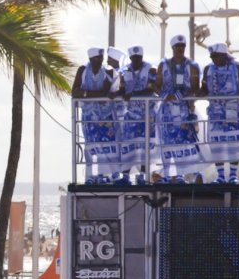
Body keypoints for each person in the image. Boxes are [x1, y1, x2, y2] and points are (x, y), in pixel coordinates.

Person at [154, 34, 203, 182]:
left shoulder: (192, 65)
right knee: (167, 141)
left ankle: (183, 174)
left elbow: (196, 87)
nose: (180, 49)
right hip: (167, 110)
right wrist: (164, 95)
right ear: (173, 48)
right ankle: (169, 174)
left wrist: (183, 96)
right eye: (178, 47)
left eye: (182, 47)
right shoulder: (163, 64)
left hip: (184, 109)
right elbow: (157, 85)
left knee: (184, 142)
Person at [201, 42, 239, 183]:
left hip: (234, 111)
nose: (214, 59)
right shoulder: (208, 69)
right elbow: (204, 88)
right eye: (212, 56)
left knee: (235, 144)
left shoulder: (238, 68)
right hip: (216, 114)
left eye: (216, 56)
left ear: (224, 55)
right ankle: (221, 175)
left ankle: (233, 175)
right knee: (217, 145)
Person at [71, 47, 116, 184]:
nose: (99, 61)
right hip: (89, 115)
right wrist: (94, 94)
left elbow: (107, 92)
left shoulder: (107, 71)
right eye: (97, 58)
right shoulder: (83, 70)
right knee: (90, 145)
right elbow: (75, 92)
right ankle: (90, 176)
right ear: (91, 59)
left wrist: (87, 93)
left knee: (105, 145)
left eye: (101, 58)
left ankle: (104, 175)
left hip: (104, 115)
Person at [115, 44, 157, 185]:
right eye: (134, 58)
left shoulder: (150, 69)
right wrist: (114, 94)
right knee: (128, 146)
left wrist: (132, 94)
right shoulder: (125, 70)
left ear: (142, 57)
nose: (136, 61)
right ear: (131, 58)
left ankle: (142, 176)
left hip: (148, 114)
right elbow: (122, 89)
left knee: (146, 147)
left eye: (138, 58)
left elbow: (150, 90)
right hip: (132, 115)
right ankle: (125, 177)